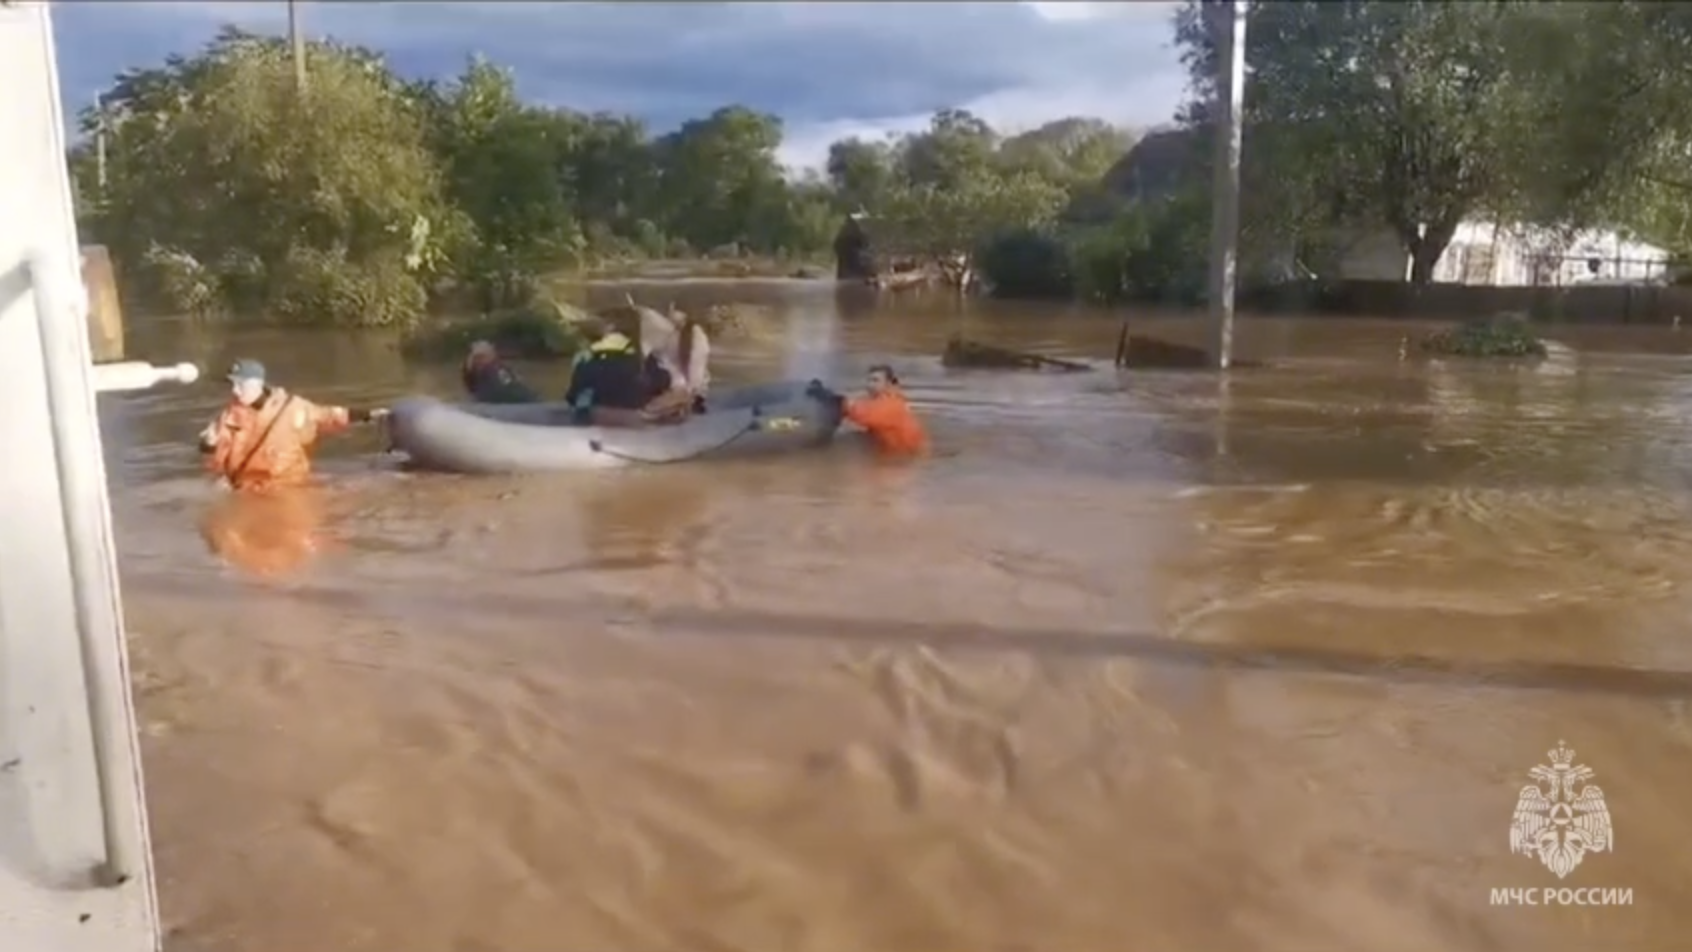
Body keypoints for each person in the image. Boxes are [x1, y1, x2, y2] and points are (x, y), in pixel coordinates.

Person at [197, 359, 388, 492]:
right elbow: (216, 465)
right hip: (246, 490)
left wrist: (368, 415)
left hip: (290, 487)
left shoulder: (292, 408)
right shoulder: (228, 417)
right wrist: (208, 446)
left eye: (240, 385)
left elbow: (329, 416)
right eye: (231, 385)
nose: (234, 391)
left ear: (258, 384)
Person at [813, 364, 927, 456]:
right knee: (848, 438)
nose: (869, 385)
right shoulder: (878, 400)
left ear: (888, 384)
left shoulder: (892, 404)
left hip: (903, 458)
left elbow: (865, 413)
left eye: (875, 380)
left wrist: (838, 401)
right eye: (868, 380)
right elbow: (859, 406)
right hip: (889, 448)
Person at [564, 320, 653, 427]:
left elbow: (574, 391)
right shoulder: (640, 358)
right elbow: (659, 381)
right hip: (633, 412)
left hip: (598, 411)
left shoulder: (588, 359)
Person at [461, 340, 537, 404]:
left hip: (518, 406)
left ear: (492, 355)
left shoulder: (496, 370)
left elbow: (509, 390)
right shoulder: (478, 372)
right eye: (476, 358)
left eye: (481, 357)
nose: (478, 361)